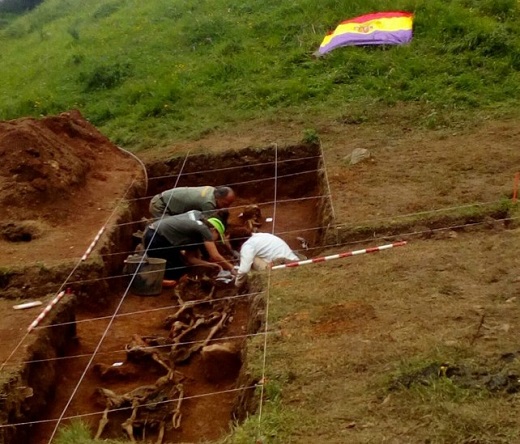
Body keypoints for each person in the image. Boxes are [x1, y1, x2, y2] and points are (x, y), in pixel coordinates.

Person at [143, 210, 236, 280]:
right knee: (177, 271)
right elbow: (215, 256)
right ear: (213, 230)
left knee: (183, 265)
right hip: (156, 238)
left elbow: (190, 258)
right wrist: (232, 268)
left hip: (158, 236)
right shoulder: (203, 229)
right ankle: (161, 281)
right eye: (218, 237)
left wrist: (210, 265)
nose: (216, 240)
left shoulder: (195, 234)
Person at [230, 228, 306, 290]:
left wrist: (237, 285)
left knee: (251, 260)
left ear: (239, 244)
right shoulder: (260, 235)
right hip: (295, 262)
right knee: (250, 258)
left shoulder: (247, 246)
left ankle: (259, 282)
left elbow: (244, 270)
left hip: (282, 268)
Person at [149, 186, 235, 219]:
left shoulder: (211, 190)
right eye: (225, 204)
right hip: (160, 206)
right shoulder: (208, 203)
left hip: (163, 200)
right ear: (218, 198)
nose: (227, 207)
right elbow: (209, 226)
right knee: (169, 230)